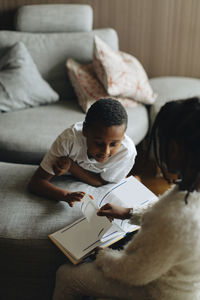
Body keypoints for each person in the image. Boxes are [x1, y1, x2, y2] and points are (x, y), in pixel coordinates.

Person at [52, 97, 200, 300]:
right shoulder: (191, 187)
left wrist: (101, 256)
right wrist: (128, 212)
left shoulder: (178, 218)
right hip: (180, 278)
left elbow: (135, 273)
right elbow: (161, 214)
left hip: (159, 293)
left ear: (174, 148)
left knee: (67, 276)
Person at [28, 98, 137, 207]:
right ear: (84, 130)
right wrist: (65, 195)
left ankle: (136, 179)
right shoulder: (68, 140)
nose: (106, 151)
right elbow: (36, 182)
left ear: (123, 137)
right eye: (98, 143)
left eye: (113, 144)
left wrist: (72, 166)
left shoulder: (127, 152)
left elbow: (102, 182)